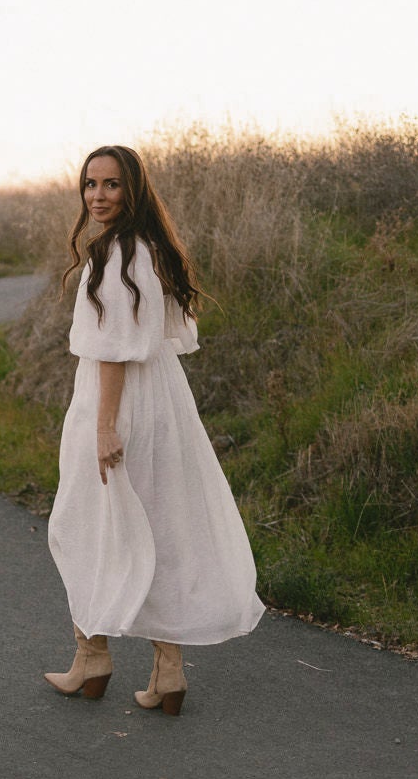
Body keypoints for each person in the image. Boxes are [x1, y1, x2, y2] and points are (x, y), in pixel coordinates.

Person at [44, 144, 264, 713]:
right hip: (163, 401)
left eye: (112, 185)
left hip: (117, 405)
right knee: (158, 527)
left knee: (87, 525)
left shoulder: (114, 257)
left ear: (133, 190)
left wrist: (104, 427)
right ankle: (168, 671)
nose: (98, 196)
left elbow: (114, 352)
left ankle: (92, 657)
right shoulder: (149, 250)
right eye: (90, 184)